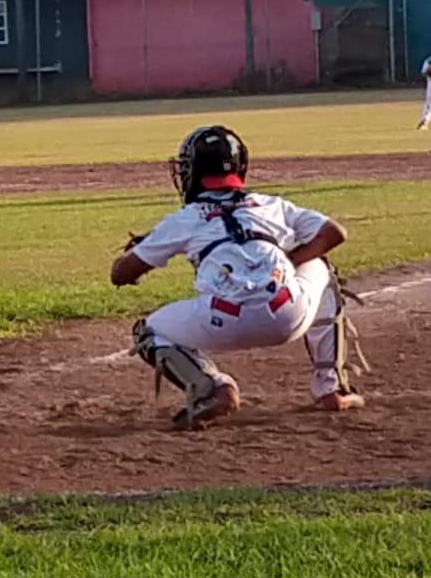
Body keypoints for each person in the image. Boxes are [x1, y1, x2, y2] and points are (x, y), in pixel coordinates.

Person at [111, 125, 365, 429]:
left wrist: (147, 245)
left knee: (148, 332)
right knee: (322, 268)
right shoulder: (271, 205)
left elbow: (120, 275)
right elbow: (335, 233)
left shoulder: (185, 218)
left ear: (192, 172)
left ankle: (212, 388)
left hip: (223, 320)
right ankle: (330, 387)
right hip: (288, 313)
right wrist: (290, 259)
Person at [417, 56, 431, 130]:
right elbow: (424, 72)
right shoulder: (429, 60)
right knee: (429, 103)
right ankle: (424, 121)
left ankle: (424, 121)